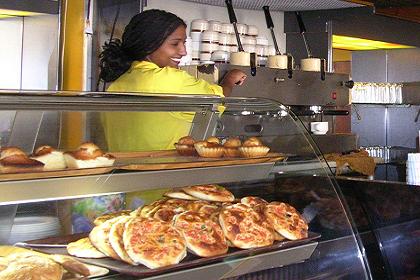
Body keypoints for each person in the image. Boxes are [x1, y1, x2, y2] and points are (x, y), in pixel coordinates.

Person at [98, 9, 247, 151]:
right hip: (165, 172)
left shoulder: (116, 84)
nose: (183, 51)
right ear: (149, 45)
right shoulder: (171, 80)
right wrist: (229, 80)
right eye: (175, 44)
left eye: (184, 43)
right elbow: (218, 100)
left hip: (123, 174)